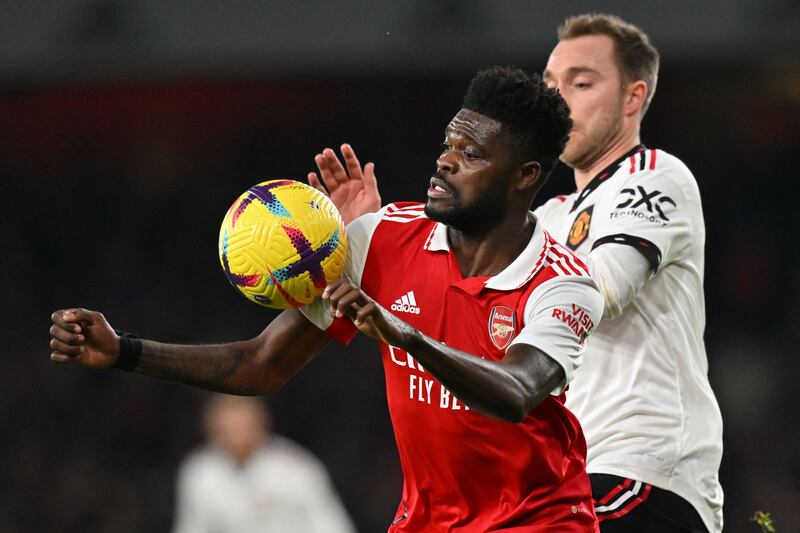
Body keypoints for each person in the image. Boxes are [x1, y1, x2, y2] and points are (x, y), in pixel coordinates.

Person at [50, 66, 605, 531]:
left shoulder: (563, 282)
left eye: (473, 154)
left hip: (542, 520)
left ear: (525, 175)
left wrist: (403, 334)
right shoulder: (380, 238)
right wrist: (124, 351)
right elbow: (261, 365)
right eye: (448, 144)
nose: (446, 161)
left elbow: (515, 392)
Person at [311, 14, 724, 533]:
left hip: (643, 469)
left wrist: (402, 265)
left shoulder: (655, 176)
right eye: (552, 83)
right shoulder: (547, 219)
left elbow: (596, 290)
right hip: (568, 466)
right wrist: (379, 242)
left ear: (633, 98)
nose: (561, 96)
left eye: (582, 82)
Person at [172, 395, 356, 533]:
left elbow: (331, 525)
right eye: (226, 429)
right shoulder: (200, 473)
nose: (235, 435)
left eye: (241, 426)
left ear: (260, 422)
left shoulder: (295, 467)